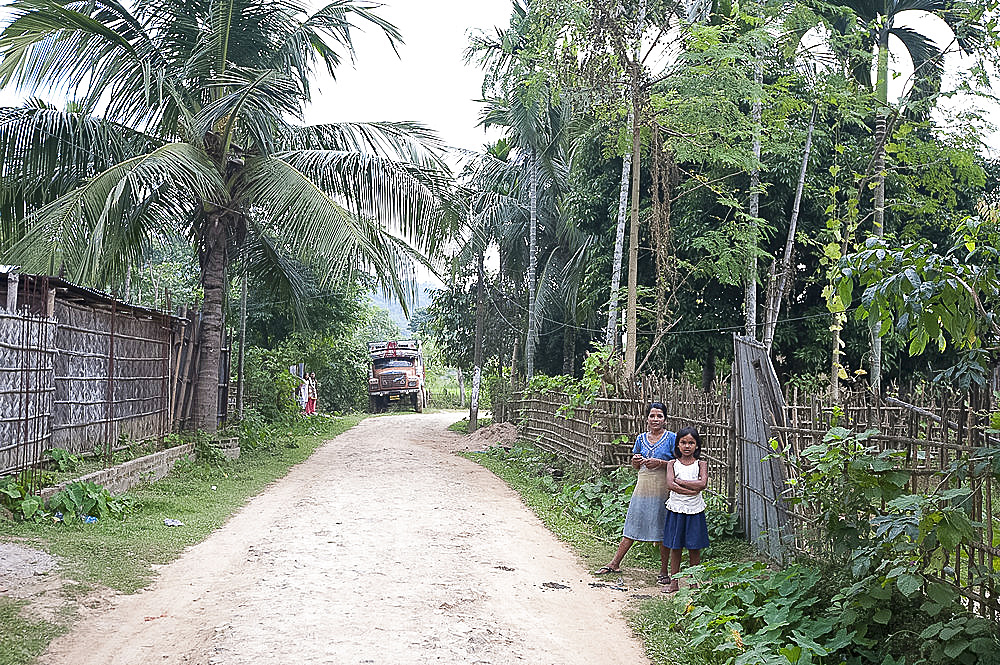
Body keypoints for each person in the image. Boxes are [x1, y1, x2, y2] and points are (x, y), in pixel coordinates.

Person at [594, 402, 676, 584]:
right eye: (652, 416)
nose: (655, 419)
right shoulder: (640, 438)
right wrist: (636, 460)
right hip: (643, 485)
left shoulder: (672, 438)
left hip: (662, 487)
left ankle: (664, 571)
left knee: (661, 526)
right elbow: (635, 465)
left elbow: (679, 462)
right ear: (646, 418)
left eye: (659, 416)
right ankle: (614, 563)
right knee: (633, 521)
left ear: (665, 419)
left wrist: (661, 463)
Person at [661, 426, 710, 593]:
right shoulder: (672, 464)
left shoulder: (701, 464)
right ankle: (674, 582)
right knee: (675, 547)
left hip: (694, 510)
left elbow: (702, 484)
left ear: (697, 445)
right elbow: (670, 484)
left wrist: (680, 482)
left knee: (694, 547)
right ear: (677, 445)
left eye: (691, 443)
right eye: (683, 442)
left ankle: (693, 582)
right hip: (676, 509)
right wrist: (691, 489)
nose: (687, 446)